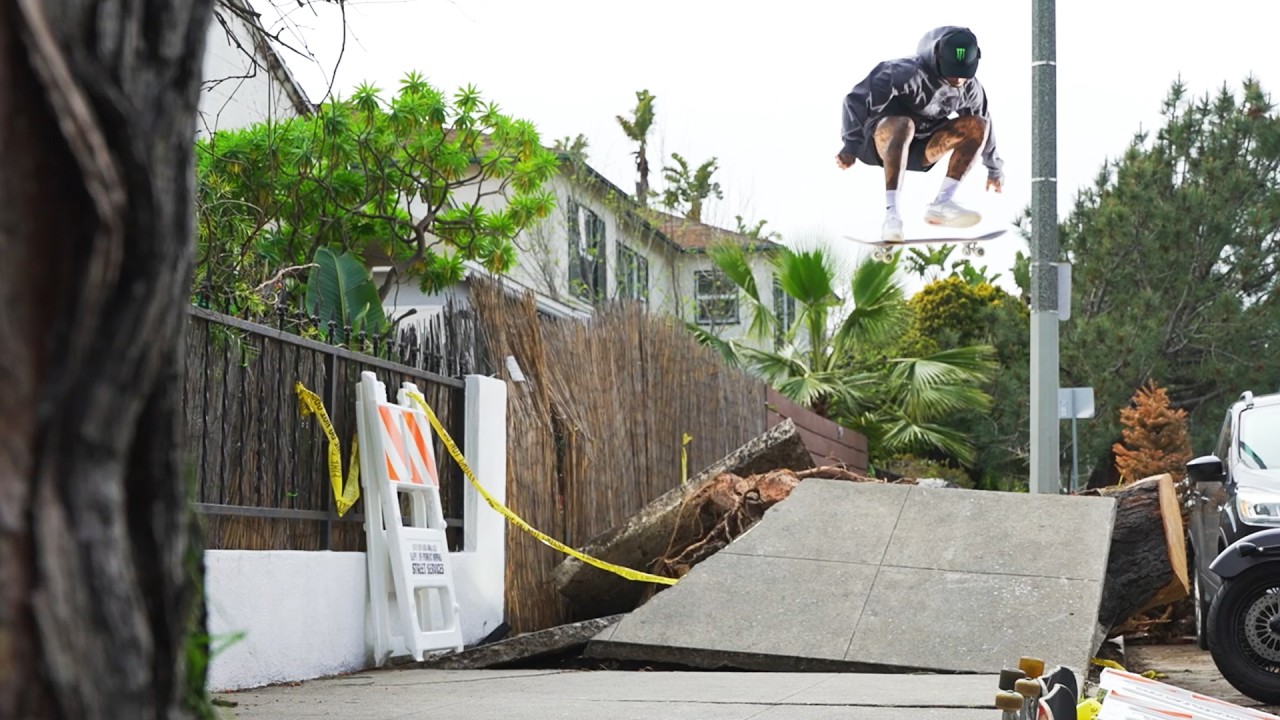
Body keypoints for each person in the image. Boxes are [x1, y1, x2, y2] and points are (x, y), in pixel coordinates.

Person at [835, 26, 1005, 242]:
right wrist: (850, 145)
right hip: (882, 142)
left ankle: (942, 203)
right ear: (937, 58)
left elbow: (984, 130)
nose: (958, 81)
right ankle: (892, 216)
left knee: (978, 123)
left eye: (962, 76)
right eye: (951, 74)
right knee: (904, 124)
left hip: (924, 147)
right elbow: (857, 100)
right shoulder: (902, 72)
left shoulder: (971, 89)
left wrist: (994, 169)